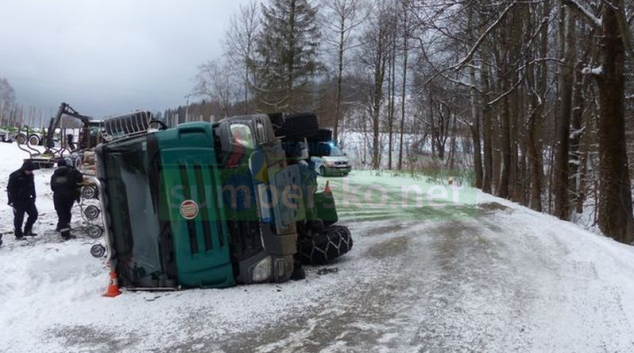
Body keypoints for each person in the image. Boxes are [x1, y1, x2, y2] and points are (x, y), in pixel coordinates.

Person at [51, 158, 83, 240]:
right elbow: (79, 179)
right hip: (69, 196)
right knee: (66, 213)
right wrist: (77, 193)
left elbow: (53, 187)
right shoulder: (72, 172)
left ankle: (61, 227)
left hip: (57, 196)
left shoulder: (54, 175)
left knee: (61, 213)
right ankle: (65, 234)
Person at [7, 160, 38, 240]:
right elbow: (10, 189)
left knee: (34, 214)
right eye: (28, 170)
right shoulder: (15, 175)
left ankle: (27, 230)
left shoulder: (31, 175)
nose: (30, 172)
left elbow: (32, 186)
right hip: (18, 200)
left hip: (28, 199)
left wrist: (33, 195)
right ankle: (18, 234)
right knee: (19, 217)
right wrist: (11, 200)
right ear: (24, 169)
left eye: (31, 171)